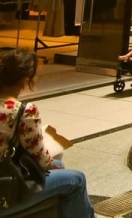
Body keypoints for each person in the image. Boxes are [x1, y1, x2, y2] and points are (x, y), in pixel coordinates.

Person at [0, 49, 95, 218]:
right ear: (25, 79)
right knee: (76, 180)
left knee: (59, 168)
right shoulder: (23, 110)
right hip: (4, 192)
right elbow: (42, 160)